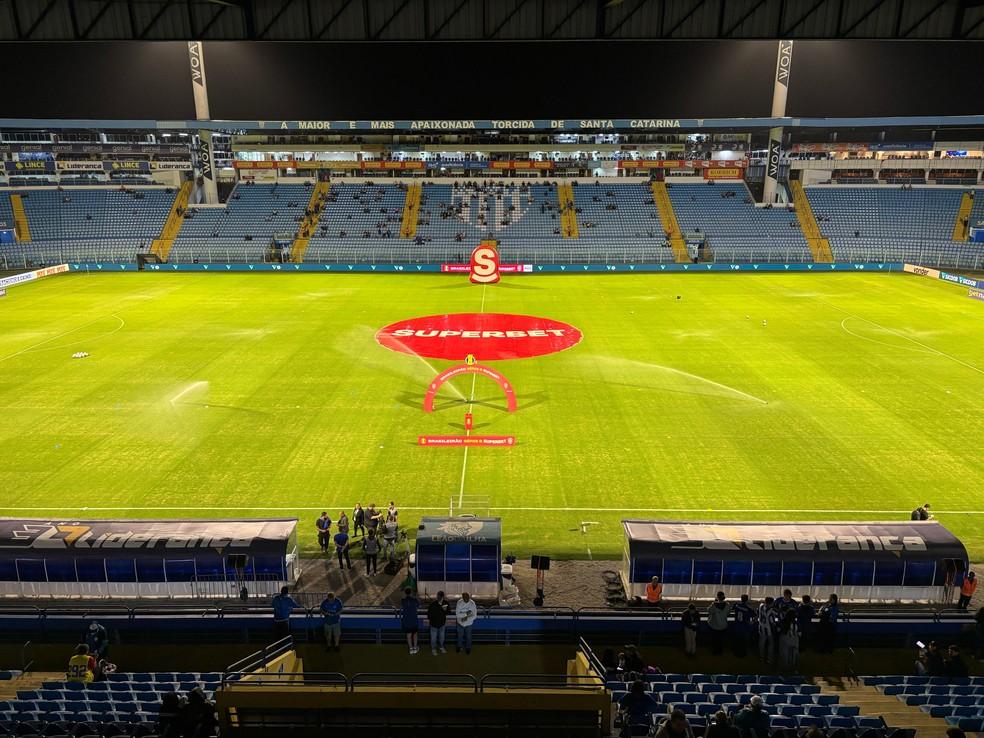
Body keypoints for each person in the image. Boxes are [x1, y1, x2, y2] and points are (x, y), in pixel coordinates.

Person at [401, 587, 420, 654]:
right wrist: (416, 596)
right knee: (415, 634)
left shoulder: (403, 601)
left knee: (408, 635)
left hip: (406, 620)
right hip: (414, 620)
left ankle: (411, 649)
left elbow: (403, 602)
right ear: (411, 593)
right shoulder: (414, 600)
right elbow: (418, 605)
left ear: (405, 593)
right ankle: (415, 648)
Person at [758, 596, 776, 662]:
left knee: (761, 644)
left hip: (761, 628)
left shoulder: (761, 606)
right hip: (769, 631)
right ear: (771, 603)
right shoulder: (771, 612)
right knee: (771, 644)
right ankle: (769, 659)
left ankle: (761, 657)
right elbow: (773, 623)